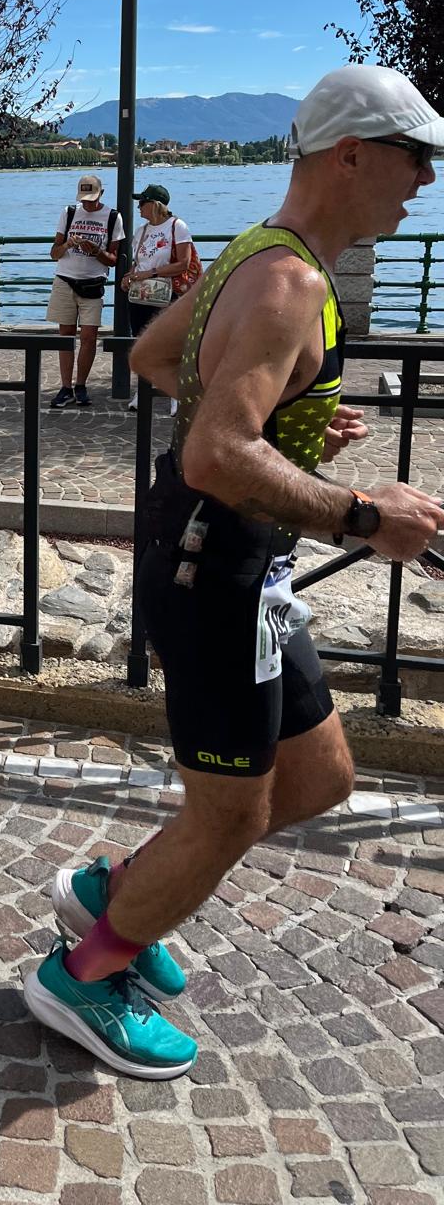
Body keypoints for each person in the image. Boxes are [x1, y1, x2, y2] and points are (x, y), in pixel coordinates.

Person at [26, 63, 444, 1080]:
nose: (427, 181)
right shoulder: (287, 280)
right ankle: (84, 974)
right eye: (417, 156)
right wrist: (364, 514)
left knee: (320, 777)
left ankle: (116, 894)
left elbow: (156, 359)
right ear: (352, 155)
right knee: (235, 811)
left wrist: (287, 425)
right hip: (211, 568)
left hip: (247, 567)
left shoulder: (260, 254)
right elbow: (216, 452)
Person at [47, 174, 124, 408]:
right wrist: (68, 244)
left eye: (91, 199)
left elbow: (113, 259)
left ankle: (81, 385)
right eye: (84, 200)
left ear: (102, 194)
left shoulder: (112, 217)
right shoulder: (69, 213)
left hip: (93, 282)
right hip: (65, 279)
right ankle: (65, 387)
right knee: (65, 334)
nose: (87, 204)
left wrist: (96, 251)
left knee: (89, 337)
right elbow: (54, 253)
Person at [122, 183, 195, 413]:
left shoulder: (177, 226)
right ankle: (142, 390)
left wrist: (151, 273)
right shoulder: (141, 231)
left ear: (155, 205)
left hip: (167, 292)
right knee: (142, 341)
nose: (139, 207)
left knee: (172, 343)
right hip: (141, 294)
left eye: (142, 203)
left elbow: (183, 263)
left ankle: (176, 394)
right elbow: (138, 262)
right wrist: (129, 276)